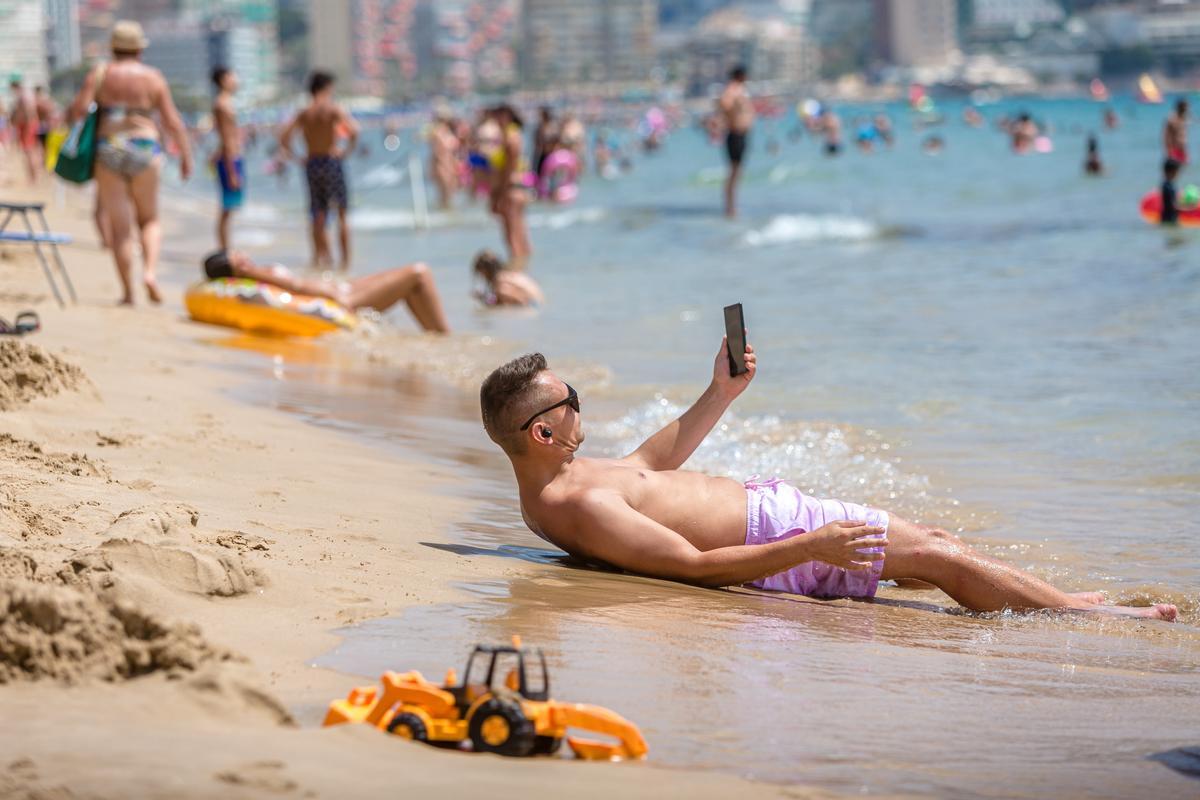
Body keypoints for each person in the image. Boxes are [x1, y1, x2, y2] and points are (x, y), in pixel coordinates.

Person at [477, 346, 1177, 621]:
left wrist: (719, 393)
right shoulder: (578, 506)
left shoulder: (566, 477)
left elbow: (650, 467)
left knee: (937, 545)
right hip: (780, 541)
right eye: (570, 398)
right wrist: (812, 544)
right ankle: (1096, 618)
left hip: (780, 518)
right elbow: (694, 569)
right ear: (543, 432)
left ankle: (1055, 601)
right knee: (937, 559)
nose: (579, 402)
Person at [69, 21, 193, 305]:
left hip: (109, 147)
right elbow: (172, 121)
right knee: (149, 219)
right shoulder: (153, 77)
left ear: (113, 48)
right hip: (144, 146)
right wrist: (186, 156)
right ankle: (149, 272)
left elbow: (78, 109)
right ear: (139, 49)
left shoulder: (101, 74)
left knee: (120, 227)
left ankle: (127, 292)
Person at [201, 250, 450, 333]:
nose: (243, 255)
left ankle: (438, 339)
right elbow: (297, 287)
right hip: (344, 298)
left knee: (415, 283)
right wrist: (337, 296)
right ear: (236, 266)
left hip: (344, 288)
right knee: (419, 273)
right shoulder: (253, 274)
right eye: (237, 256)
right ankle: (444, 339)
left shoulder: (254, 275)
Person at [279, 71, 358, 270]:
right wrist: (346, 151)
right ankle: (345, 263)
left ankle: (321, 259)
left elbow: (284, 137)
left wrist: (297, 157)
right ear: (326, 87)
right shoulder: (333, 109)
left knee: (317, 212)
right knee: (341, 213)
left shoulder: (304, 112)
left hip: (312, 162)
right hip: (332, 161)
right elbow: (354, 131)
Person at [489, 104, 532, 269]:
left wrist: (497, 194)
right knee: (521, 235)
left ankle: (516, 272)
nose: (495, 120)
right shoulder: (514, 134)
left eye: (498, 116)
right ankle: (524, 271)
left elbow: (507, 169)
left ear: (506, 115)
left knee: (512, 237)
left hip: (510, 189)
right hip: (517, 188)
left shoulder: (510, 137)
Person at [211, 67, 243, 251]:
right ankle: (224, 250)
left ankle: (225, 248)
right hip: (230, 159)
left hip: (230, 157)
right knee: (226, 208)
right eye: (232, 76)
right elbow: (226, 138)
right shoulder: (222, 105)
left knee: (229, 208)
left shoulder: (226, 103)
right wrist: (231, 170)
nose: (235, 80)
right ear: (223, 80)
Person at [717, 65, 754, 219]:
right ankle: (730, 208)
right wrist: (732, 116)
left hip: (740, 134)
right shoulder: (733, 89)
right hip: (735, 134)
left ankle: (731, 206)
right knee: (734, 172)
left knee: (736, 172)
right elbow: (724, 104)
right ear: (741, 76)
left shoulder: (739, 89)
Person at [472, 249, 544, 308]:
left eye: (481, 273)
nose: (482, 277)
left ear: (486, 271)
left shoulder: (501, 282)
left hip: (535, 306)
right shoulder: (507, 274)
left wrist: (485, 299)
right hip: (538, 303)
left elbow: (520, 301)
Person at [8, 78, 39, 183]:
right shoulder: (25, 93)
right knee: (29, 151)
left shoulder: (23, 95)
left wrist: (22, 123)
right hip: (27, 124)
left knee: (29, 151)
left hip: (27, 125)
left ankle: (33, 177)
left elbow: (28, 111)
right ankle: (32, 177)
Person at [429, 112, 460, 211]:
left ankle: (447, 212)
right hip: (442, 165)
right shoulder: (438, 133)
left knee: (450, 190)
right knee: (445, 191)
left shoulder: (448, 132)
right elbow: (438, 152)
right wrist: (446, 167)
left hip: (449, 164)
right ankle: (445, 212)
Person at [33, 87, 59, 164]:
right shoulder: (47, 101)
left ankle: (44, 163)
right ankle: (48, 163)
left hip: (40, 126)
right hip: (48, 126)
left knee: (41, 147)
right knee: (48, 146)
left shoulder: (37, 102)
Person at [532, 106, 557, 179]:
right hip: (541, 153)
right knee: (539, 172)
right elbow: (536, 140)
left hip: (550, 153)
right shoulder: (540, 127)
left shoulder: (551, 127)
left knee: (551, 173)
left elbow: (555, 139)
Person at [1164, 98, 1188, 166]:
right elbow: (1166, 136)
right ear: (1180, 107)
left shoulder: (1183, 117)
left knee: (1183, 168)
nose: (1186, 109)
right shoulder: (1172, 119)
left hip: (1182, 147)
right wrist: (1169, 151)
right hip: (1174, 148)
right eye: (1185, 107)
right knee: (1175, 169)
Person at [1160, 158, 1181, 226]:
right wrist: (1188, 208)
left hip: (1165, 218)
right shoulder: (1168, 187)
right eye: (1176, 171)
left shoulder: (1166, 185)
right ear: (1172, 172)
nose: (1177, 174)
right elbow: (1173, 206)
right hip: (1170, 219)